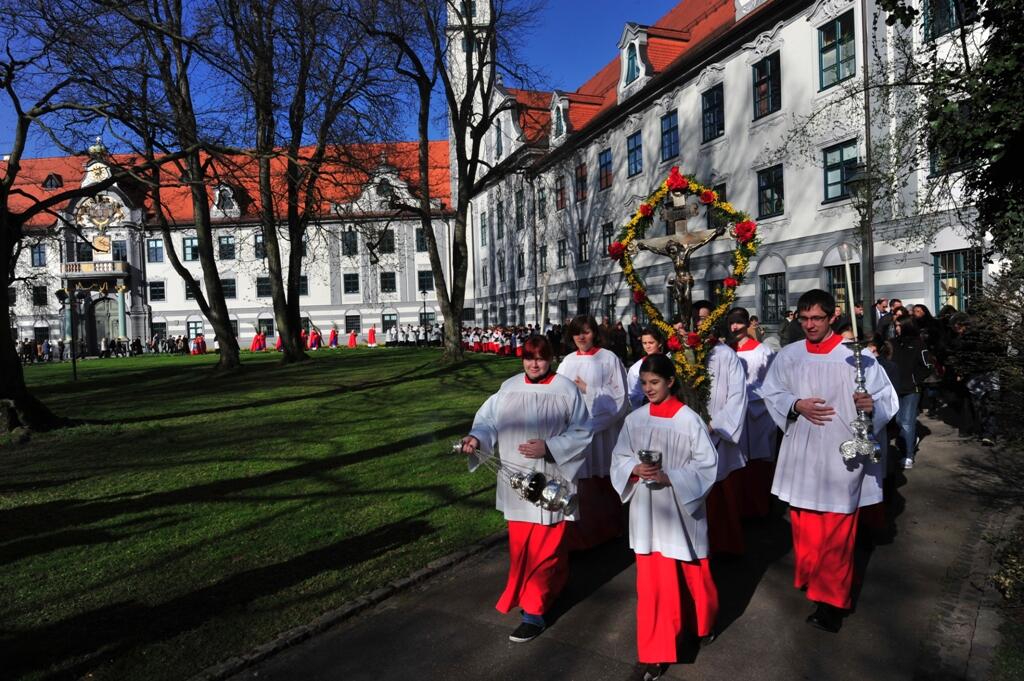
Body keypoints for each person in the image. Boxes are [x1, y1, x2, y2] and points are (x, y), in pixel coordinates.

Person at [761, 289, 898, 632]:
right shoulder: (789, 355)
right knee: (805, 525)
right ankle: (814, 578)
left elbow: (886, 398)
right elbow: (772, 391)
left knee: (837, 530)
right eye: (804, 318)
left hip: (841, 455)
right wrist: (795, 404)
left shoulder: (857, 356)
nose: (810, 325)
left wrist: (871, 406)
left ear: (832, 316)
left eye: (817, 318)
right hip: (803, 452)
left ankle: (832, 603)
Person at [459, 335, 591, 643]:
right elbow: (488, 422)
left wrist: (550, 447)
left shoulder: (565, 389)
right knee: (523, 550)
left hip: (552, 481)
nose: (534, 364)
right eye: (529, 357)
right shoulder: (509, 388)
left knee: (546, 550)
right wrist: (476, 438)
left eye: (541, 358)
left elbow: (583, 430)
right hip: (516, 483)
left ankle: (533, 613)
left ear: (551, 359)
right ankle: (555, 586)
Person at [610, 353, 719, 681]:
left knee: (693, 574)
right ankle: (656, 652)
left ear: (670, 381)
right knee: (654, 587)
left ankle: (701, 625)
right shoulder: (635, 419)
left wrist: (671, 477)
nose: (648, 388)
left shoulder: (689, 420)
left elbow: (707, 465)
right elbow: (619, 456)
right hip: (647, 512)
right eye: (644, 383)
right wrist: (633, 468)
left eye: (654, 382)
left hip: (681, 510)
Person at [557, 315, 628, 550]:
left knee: (602, 479)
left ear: (594, 333)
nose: (581, 337)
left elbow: (620, 398)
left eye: (586, 332)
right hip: (574, 432)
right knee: (579, 482)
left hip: (602, 433)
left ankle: (608, 531)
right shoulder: (567, 362)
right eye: (577, 333)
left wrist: (589, 389)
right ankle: (581, 538)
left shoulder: (608, 359)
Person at [693, 300, 748, 557]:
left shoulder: (726, 355)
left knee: (718, 494)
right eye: (697, 319)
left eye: (705, 318)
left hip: (715, 431)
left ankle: (722, 545)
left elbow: (737, 395)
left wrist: (715, 425)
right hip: (687, 434)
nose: (701, 323)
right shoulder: (682, 353)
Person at [728, 307, 777, 519]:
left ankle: (759, 508)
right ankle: (737, 508)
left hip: (757, 411)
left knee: (757, 462)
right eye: (731, 322)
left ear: (748, 324)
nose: (735, 326)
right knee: (735, 461)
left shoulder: (763, 351)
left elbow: (772, 381)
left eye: (739, 322)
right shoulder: (726, 351)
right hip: (733, 412)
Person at [889, 318, 930, 469]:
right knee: (899, 421)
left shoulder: (918, 344)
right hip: (895, 388)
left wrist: (915, 380)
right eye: (895, 325)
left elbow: (927, 366)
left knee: (907, 422)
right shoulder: (892, 343)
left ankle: (908, 455)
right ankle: (911, 440)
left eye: (899, 325)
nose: (897, 328)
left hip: (912, 389)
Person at [626, 327, 667, 409]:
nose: (647, 346)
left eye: (651, 343)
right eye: (644, 343)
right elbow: (633, 394)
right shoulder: (636, 369)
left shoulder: (670, 362)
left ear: (659, 343)